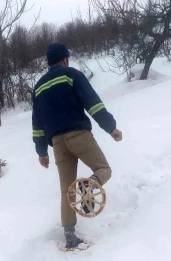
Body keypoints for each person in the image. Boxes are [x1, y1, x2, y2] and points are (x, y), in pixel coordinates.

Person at [32, 43, 122, 249]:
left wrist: (41, 152)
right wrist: (111, 128)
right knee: (103, 170)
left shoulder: (38, 87)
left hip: (57, 143)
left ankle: (70, 238)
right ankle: (89, 186)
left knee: (66, 191)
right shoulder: (71, 75)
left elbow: (37, 123)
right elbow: (93, 103)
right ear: (65, 59)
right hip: (78, 134)